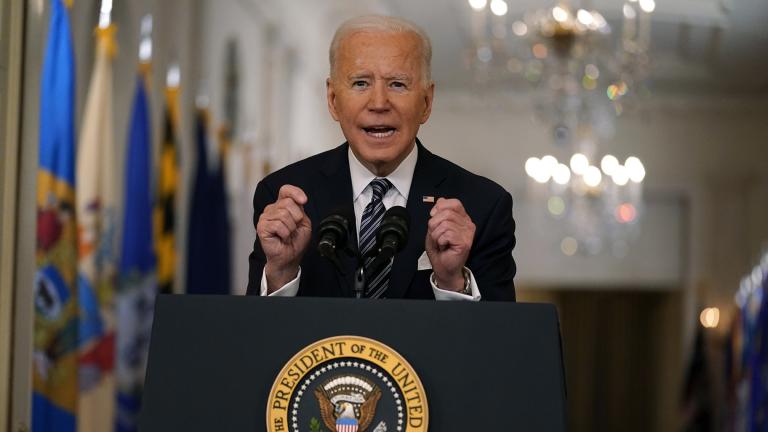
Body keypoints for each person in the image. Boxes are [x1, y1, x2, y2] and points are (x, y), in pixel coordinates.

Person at [246, 15, 516, 301]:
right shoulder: (283, 197)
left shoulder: (483, 205)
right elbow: (256, 337)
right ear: (333, 99)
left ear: (426, 102)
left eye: (398, 84)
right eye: (360, 83)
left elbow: (499, 340)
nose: (378, 103)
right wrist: (281, 273)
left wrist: (451, 282)